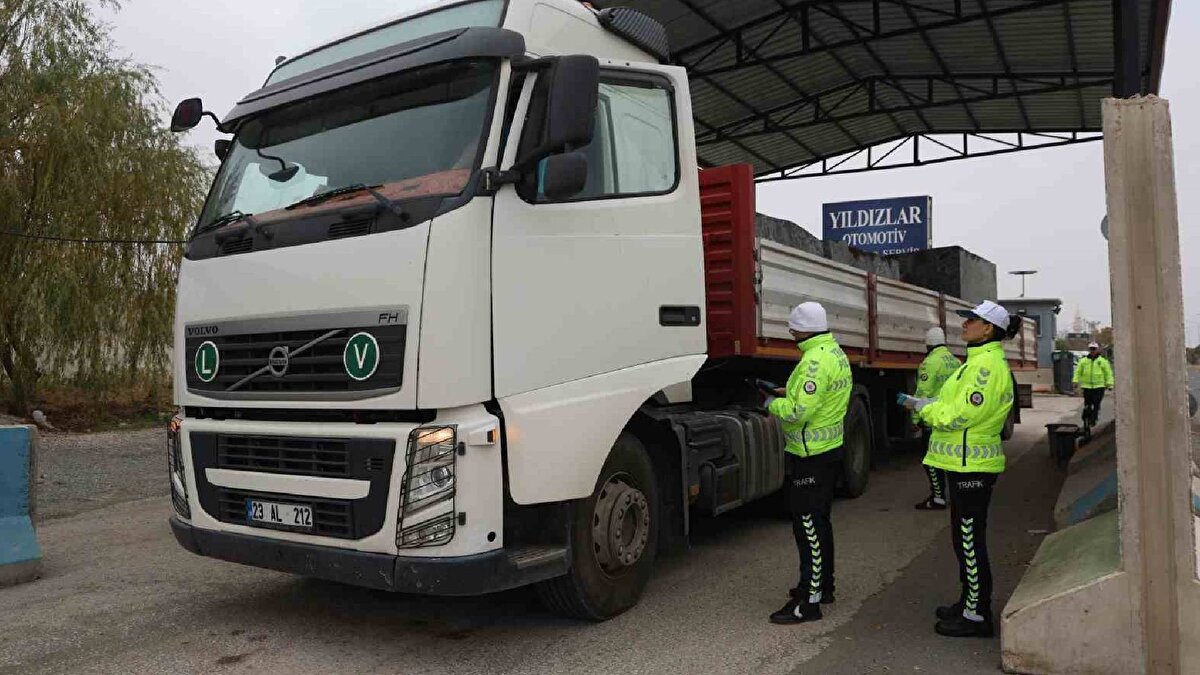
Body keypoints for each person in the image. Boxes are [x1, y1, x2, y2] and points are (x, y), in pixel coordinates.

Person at [900, 300, 1017, 638]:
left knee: (969, 539)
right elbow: (952, 403)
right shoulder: (975, 362)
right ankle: (969, 602)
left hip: (973, 466)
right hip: (965, 463)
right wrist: (932, 405)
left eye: (971, 321)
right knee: (963, 537)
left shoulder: (985, 368)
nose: (964, 325)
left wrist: (926, 412)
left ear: (989, 329)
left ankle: (977, 615)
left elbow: (962, 414)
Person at [764, 301, 853, 625]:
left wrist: (772, 403)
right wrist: (788, 390)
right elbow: (816, 394)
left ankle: (809, 602)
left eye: (792, 329)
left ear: (801, 329)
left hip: (809, 454)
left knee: (808, 527)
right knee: (820, 523)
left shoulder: (813, 361)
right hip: (827, 450)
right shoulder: (833, 353)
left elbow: (800, 411)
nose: (790, 333)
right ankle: (822, 586)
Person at [910, 326, 961, 511]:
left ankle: (938, 497)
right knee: (951, 459)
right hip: (951, 419)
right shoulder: (955, 361)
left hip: (933, 420)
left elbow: (922, 392)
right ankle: (956, 495)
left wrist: (915, 419)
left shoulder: (929, 362)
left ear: (928, 344)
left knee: (931, 460)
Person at [1073, 342, 1114, 426]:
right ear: (1089, 349)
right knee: (1087, 405)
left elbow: (1108, 373)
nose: (1092, 351)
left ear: (1097, 349)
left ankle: (1093, 418)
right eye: (1091, 349)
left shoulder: (1102, 361)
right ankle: (1086, 419)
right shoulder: (1083, 361)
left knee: (1096, 404)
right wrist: (1075, 381)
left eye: (1094, 349)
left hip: (1099, 387)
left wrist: (1110, 384)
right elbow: (1078, 372)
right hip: (1087, 387)